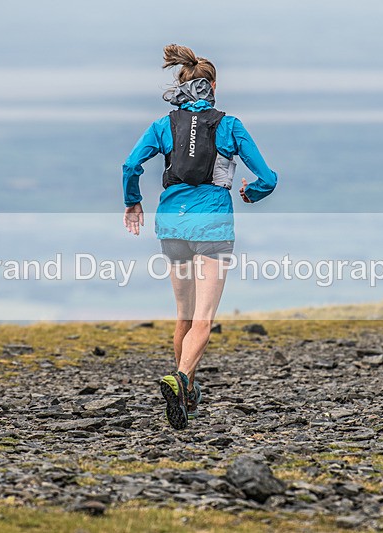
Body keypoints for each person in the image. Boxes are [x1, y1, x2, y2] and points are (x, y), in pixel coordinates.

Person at [122, 44, 278, 430]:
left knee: (184, 315)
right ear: (213, 87)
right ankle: (181, 379)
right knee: (203, 320)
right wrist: (252, 193)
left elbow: (130, 165)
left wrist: (133, 201)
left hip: (172, 226)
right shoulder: (230, 126)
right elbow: (268, 178)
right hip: (213, 227)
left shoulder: (163, 125)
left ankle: (186, 394)